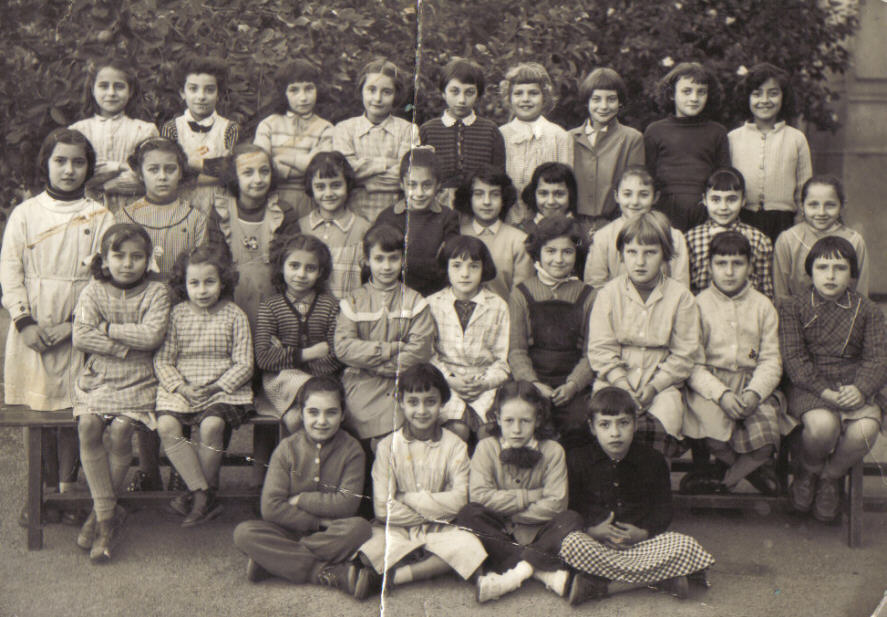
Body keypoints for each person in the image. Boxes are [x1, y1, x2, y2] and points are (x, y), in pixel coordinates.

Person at [0, 128, 114, 523]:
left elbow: (105, 277)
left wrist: (74, 324)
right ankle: (40, 492)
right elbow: (9, 270)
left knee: (73, 412)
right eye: (60, 161)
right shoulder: (25, 213)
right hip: (32, 324)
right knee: (37, 412)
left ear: (88, 167)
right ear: (45, 163)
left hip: (78, 324)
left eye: (78, 162)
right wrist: (24, 320)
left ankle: (69, 491)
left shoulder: (101, 215)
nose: (69, 170)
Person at [117, 136, 217, 492]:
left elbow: (202, 267)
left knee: (177, 387)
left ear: (181, 173)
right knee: (148, 390)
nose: (162, 176)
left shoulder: (194, 217)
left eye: (170, 169)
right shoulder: (127, 215)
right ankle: (148, 469)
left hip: (182, 311)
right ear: (140, 173)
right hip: (141, 313)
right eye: (154, 169)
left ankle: (179, 468)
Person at [556, 387, 715, 606]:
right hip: (597, 544)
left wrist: (643, 532)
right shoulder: (577, 460)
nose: (615, 433)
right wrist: (592, 531)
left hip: (642, 545)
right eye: (605, 425)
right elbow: (573, 505)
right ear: (592, 427)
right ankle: (660, 579)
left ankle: (602, 585)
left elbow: (663, 508)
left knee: (684, 544)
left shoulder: (653, 460)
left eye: (623, 423)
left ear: (635, 424)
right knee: (571, 544)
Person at [72, 224, 170, 561]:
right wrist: (124, 347)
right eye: (119, 256)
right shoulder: (93, 291)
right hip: (99, 375)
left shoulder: (157, 292)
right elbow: (81, 336)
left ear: (148, 260)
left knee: (121, 429)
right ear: (104, 259)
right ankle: (107, 516)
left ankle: (100, 519)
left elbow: (152, 336)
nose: (127, 264)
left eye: (136, 257)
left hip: (141, 378)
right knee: (88, 425)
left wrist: (108, 328)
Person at [350, 364, 487, 600]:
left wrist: (406, 498)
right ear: (401, 402)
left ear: (442, 402)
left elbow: (459, 501)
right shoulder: (387, 447)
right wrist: (431, 510)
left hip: (440, 529)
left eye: (430, 402)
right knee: (369, 548)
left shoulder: (455, 446)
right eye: (413, 402)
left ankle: (398, 575)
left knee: (471, 545)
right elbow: (382, 508)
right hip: (397, 527)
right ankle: (422, 560)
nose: (421, 410)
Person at [779, 236, 887, 523]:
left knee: (865, 430)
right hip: (810, 386)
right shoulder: (792, 308)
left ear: (852, 274)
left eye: (839, 268)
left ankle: (830, 477)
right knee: (822, 426)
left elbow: (877, 359)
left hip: (853, 385)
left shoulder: (868, 310)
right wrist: (824, 392)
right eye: (822, 267)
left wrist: (861, 389)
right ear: (810, 271)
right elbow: (794, 359)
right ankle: (808, 471)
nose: (830, 275)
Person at [232, 377, 371, 594]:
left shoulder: (352, 450)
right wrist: (317, 522)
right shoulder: (287, 449)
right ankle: (323, 571)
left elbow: (347, 505)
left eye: (331, 413)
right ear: (301, 413)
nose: (321, 421)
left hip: (332, 532)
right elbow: (270, 508)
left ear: (343, 414)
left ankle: (273, 562)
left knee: (360, 529)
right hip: (289, 530)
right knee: (244, 533)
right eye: (313, 412)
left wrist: (300, 500)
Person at [587, 212, 701, 458]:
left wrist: (654, 387)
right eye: (632, 252)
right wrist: (622, 384)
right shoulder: (608, 294)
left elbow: (684, 354)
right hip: (614, 381)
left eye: (650, 253)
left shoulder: (681, 297)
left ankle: (657, 479)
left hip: (661, 383)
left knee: (662, 429)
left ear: (665, 255)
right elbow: (600, 349)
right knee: (610, 429)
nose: (640, 261)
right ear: (621, 255)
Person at [154, 245, 254, 527]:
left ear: (223, 281)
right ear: (183, 284)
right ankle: (202, 493)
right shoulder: (176, 315)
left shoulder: (234, 315)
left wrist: (217, 386)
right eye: (194, 283)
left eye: (209, 282)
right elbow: (163, 360)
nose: (202, 290)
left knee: (212, 426)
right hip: (184, 387)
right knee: (166, 426)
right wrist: (181, 387)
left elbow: (244, 363)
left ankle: (196, 497)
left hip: (221, 389)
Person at [683, 232, 786, 496]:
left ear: (750, 267)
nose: (729, 272)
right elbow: (693, 364)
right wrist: (721, 394)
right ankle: (752, 473)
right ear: (709, 266)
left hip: (751, 383)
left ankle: (725, 481)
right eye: (721, 263)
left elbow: (769, 359)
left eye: (737, 264)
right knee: (714, 438)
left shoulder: (763, 306)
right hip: (711, 387)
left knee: (766, 441)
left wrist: (755, 392)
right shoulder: (698, 305)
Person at [456, 381, 574, 603]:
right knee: (468, 513)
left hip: (538, 532)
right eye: (509, 421)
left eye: (525, 421)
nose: (517, 430)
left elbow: (557, 504)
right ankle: (541, 573)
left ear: (537, 420)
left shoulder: (553, 451)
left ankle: (510, 576)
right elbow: (480, 496)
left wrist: (509, 512)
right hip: (500, 531)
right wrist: (531, 496)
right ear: (498, 418)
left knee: (570, 518)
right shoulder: (486, 447)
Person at [333, 224, 434, 444]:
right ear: (366, 261)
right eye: (379, 259)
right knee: (362, 426)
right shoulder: (354, 300)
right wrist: (387, 349)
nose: (386, 267)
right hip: (361, 383)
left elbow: (420, 349)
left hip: (402, 381)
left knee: (396, 431)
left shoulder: (415, 301)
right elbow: (343, 347)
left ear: (403, 260)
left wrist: (378, 366)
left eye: (393, 258)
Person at [508, 215, 595, 446]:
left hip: (572, 383)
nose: (558, 259)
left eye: (567, 252)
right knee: (529, 420)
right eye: (550, 251)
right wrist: (534, 384)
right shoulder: (521, 293)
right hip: (533, 380)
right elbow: (516, 350)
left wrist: (573, 385)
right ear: (538, 253)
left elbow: (591, 353)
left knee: (579, 424)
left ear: (577, 254)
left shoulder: (588, 295)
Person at [254, 234, 341, 435]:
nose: (301, 274)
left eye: (310, 268)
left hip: (322, 381)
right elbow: (264, 358)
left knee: (301, 415)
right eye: (294, 266)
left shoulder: (330, 306)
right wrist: (309, 353)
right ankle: (295, 455)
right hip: (281, 382)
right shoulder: (270, 307)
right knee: (295, 418)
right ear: (282, 267)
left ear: (320, 272)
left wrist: (285, 355)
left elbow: (336, 356)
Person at [427, 236, 510, 442]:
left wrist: (485, 383)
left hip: (485, 385)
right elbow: (429, 354)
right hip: (446, 382)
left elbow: (502, 360)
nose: (465, 274)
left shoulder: (498, 305)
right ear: (446, 268)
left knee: (488, 433)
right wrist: (449, 379)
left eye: (473, 266)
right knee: (457, 430)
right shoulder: (432, 304)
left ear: (484, 268)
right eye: (456, 266)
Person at [213, 143, 300, 329]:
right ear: (234, 176)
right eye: (248, 173)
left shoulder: (283, 212)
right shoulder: (221, 212)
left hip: (274, 304)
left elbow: (291, 261)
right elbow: (215, 261)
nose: (258, 179)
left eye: (264, 171)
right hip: (230, 304)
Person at [729, 62, 812, 242]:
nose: (765, 100)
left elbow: (804, 188)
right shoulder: (733, 138)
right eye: (757, 94)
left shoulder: (796, 139)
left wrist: (801, 222)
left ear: (784, 97)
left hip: (784, 221)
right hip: (742, 219)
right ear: (746, 98)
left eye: (773, 93)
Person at [644, 61, 730, 232]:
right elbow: (648, 177)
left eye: (701, 92)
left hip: (705, 213)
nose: (694, 98)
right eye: (686, 91)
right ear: (671, 94)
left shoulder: (717, 132)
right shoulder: (655, 131)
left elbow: (723, 178)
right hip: (664, 212)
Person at [333, 57, 419, 223]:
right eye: (371, 90)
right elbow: (345, 173)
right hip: (352, 217)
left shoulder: (408, 130)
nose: (377, 98)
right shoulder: (344, 129)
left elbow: (406, 177)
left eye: (386, 92)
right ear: (361, 91)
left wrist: (364, 182)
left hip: (396, 217)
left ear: (396, 95)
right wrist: (387, 164)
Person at [69, 58, 159, 209]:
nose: (111, 93)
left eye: (119, 87)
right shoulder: (79, 131)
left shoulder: (145, 130)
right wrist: (122, 168)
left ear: (130, 91)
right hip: (88, 211)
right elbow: (77, 176)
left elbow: (149, 177)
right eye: (103, 86)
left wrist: (107, 183)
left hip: (136, 210)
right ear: (92, 89)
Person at [419, 57, 506, 207]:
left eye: (469, 92)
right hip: (437, 206)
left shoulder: (490, 131)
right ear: (443, 93)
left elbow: (499, 176)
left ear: (478, 94)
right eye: (454, 91)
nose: (462, 100)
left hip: (478, 204)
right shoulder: (427, 130)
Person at [584, 165, 689, 289]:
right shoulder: (603, 237)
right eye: (627, 194)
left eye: (643, 195)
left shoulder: (674, 236)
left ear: (655, 197)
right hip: (615, 300)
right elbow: (595, 284)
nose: (634, 202)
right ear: (617, 196)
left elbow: (681, 285)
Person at [374, 147, 460, 296]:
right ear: (402, 184)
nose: (419, 193)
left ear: (438, 185)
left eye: (426, 185)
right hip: (394, 295)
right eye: (412, 185)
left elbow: (446, 266)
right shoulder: (387, 217)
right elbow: (381, 265)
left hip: (434, 295)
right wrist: (428, 264)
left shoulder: (448, 218)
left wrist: (404, 262)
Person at [568, 67, 644, 236]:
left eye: (611, 99)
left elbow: (634, 185)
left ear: (620, 102)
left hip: (615, 224)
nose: (603, 106)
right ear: (586, 102)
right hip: (574, 226)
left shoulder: (632, 139)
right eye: (596, 99)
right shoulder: (569, 138)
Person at [253, 60, 334, 219]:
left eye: (309, 89)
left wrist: (282, 159)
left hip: (311, 200)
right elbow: (260, 165)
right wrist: (303, 163)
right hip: (271, 198)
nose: (303, 97)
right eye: (294, 90)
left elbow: (319, 168)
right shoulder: (268, 125)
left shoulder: (326, 128)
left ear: (318, 89)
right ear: (283, 92)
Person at [161, 56, 239, 214]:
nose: (201, 96)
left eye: (209, 90)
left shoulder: (230, 128)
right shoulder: (172, 128)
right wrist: (207, 168)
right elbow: (168, 168)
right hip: (180, 205)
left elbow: (232, 169)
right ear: (182, 93)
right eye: (193, 89)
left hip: (220, 207)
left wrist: (192, 162)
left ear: (218, 93)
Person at [773, 175, 869, 303]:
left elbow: (861, 292)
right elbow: (781, 293)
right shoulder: (788, 240)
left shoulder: (855, 241)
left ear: (842, 206)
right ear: (801, 205)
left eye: (830, 205)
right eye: (813, 205)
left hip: (845, 313)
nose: (821, 212)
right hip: (797, 313)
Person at [499, 62, 572, 226]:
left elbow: (567, 186)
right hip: (508, 222)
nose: (525, 99)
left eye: (533, 93)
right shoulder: (500, 135)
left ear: (544, 97)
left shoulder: (559, 136)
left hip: (548, 222)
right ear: (509, 97)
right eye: (518, 93)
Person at [685, 167, 775, 299]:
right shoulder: (691, 239)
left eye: (731, 199)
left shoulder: (759, 240)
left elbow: (765, 291)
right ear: (704, 199)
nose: (723, 207)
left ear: (743, 200)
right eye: (715, 199)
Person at [298, 152, 371, 299]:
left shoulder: (363, 228)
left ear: (348, 184)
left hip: (349, 308)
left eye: (336, 185)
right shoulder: (301, 227)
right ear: (311, 188)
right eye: (320, 187)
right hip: (310, 309)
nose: (328, 193)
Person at [454, 165, 534, 299]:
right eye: (479, 194)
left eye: (495, 195)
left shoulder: (519, 241)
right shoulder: (457, 235)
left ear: (504, 199)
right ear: (469, 198)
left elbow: (521, 297)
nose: (487, 202)